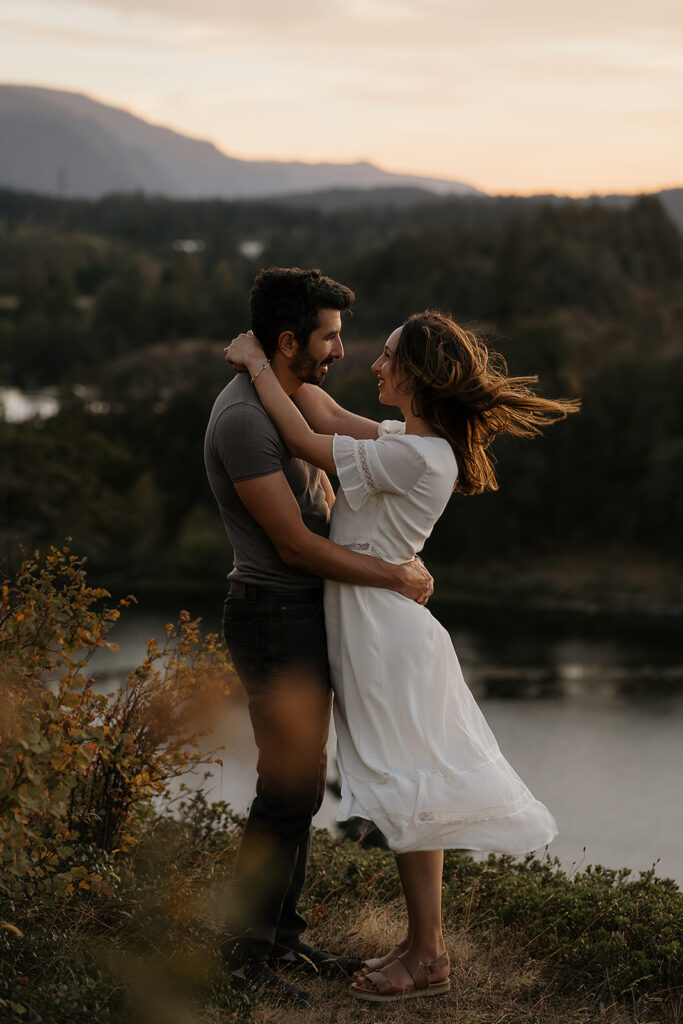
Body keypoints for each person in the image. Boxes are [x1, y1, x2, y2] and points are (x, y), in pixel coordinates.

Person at [225, 309, 580, 1003]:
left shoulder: (409, 455)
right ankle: (425, 950)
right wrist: (282, 362)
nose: (376, 365)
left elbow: (301, 433)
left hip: (383, 639)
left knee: (410, 794)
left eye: (388, 357)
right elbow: (322, 407)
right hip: (379, 630)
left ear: (416, 372)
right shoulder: (408, 442)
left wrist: (256, 365)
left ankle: (427, 957)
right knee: (411, 794)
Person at [204, 267, 433, 1008]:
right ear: (287, 341)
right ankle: (246, 960)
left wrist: (412, 530)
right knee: (286, 791)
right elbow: (294, 545)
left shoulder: (290, 398)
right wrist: (390, 576)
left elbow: (347, 460)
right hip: (272, 616)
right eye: (329, 337)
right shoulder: (243, 419)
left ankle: (279, 938)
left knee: (299, 791)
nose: (340, 349)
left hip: (304, 616)